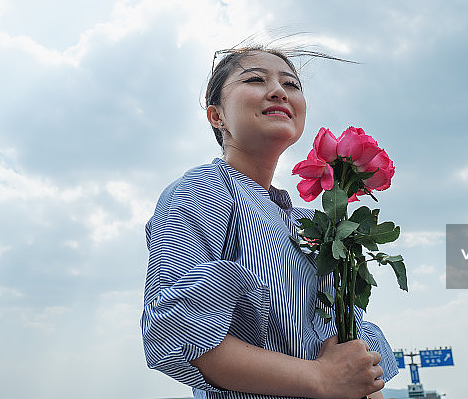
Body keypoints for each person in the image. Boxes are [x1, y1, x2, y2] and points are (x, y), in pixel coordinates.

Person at [141, 45, 398, 399]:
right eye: (255, 79)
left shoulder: (316, 225)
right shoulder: (201, 192)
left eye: (291, 84)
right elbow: (181, 327)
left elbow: (351, 355)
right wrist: (319, 377)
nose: (278, 90)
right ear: (216, 116)